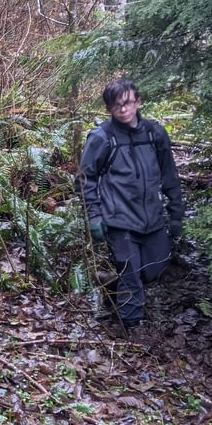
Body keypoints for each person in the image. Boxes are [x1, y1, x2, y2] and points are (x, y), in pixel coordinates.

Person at [79, 79, 184, 330]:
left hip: (152, 219)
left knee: (153, 271)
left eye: (127, 103)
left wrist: (176, 212)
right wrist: (94, 217)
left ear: (138, 102)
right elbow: (85, 179)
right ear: (109, 109)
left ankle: (112, 287)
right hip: (119, 220)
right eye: (116, 106)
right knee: (131, 275)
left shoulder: (154, 134)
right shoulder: (102, 138)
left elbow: (169, 174)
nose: (123, 110)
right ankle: (131, 331)